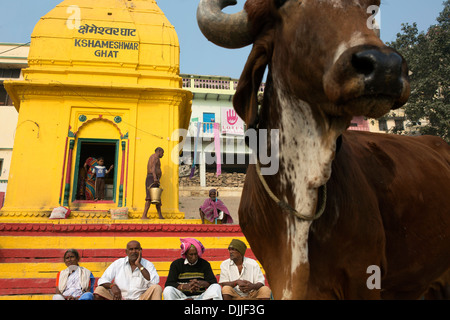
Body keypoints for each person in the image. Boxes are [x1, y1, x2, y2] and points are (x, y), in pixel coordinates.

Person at [94, 240, 162, 300]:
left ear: (141, 250)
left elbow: (154, 282)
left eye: (136, 249)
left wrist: (139, 264)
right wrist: (112, 286)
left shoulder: (148, 264)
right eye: (131, 249)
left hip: (140, 298)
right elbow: (102, 280)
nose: (134, 251)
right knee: (99, 290)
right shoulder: (118, 263)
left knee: (157, 288)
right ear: (126, 252)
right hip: (119, 298)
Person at [142, 147, 164, 219]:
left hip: (154, 178)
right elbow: (153, 168)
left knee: (157, 197)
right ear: (159, 151)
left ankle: (160, 215)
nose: (162, 155)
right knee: (149, 197)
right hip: (151, 178)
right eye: (162, 153)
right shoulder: (155, 157)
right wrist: (155, 177)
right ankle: (144, 215)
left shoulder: (155, 157)